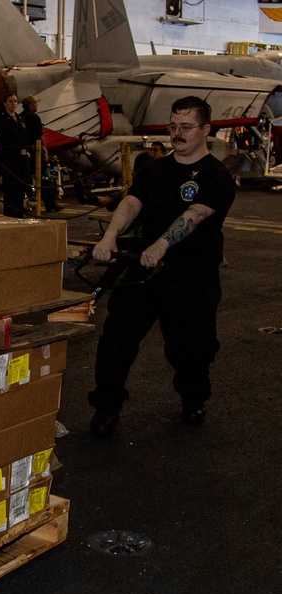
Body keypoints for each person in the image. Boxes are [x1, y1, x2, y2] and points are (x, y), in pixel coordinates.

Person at [88, 95, 235, 438]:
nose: (177, 133)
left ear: (205, 130)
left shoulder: (216, 176)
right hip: (145, 269)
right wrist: (110, 235)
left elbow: (195, 215)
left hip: (192, 274)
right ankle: (106, 408)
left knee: (192, 349)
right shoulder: (154, 170)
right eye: (173, 126)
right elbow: (131, 202)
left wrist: (161, 244)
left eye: (186, 127)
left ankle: (194, 397)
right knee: (116, 338)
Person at [0, 93, 31, 218]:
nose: (13, 104)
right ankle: (10, 214)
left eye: (15, 101)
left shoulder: (20, 119)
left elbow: (24, 137)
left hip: (22, 157)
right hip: (9, 158)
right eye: (10, 101)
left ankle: (20, 213)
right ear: (5, 104)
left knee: (21, 187)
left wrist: (27, 151)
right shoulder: (1, 119)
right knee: (11, 189)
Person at [20, 94, 61, 212]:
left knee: (26, 178)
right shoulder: (34, 118)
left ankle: (26, 202)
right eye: (35, 103)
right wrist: (45, 151)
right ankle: (50, 203)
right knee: (44, 177)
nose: (37, 105)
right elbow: (40, 136)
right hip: (36, 152)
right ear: (31, 105)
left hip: (25, 152)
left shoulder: (20, 117)